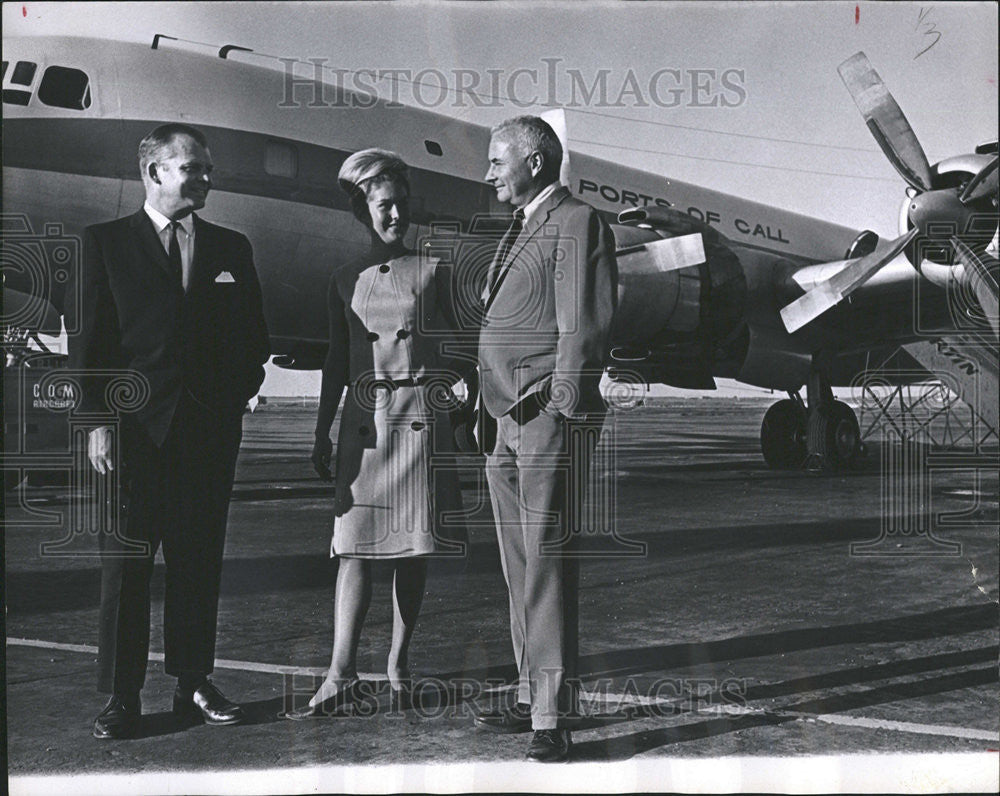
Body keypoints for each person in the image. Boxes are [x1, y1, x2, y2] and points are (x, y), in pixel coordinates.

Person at [69, 123, 270, 739]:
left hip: (204, 438)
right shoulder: (102, 244)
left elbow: (253, 342)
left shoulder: (231, 247)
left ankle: (193, 682)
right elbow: (89, 348)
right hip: (130, 438)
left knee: (197, 564)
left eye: (208, 168)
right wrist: (98, 425)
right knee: (125, 569)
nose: (207, 178)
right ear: (154, 173)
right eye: (193, 168)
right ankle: (122, 696)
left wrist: (226, 406)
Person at [285, 148, 471, 719]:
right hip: (363, 430)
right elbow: (336, 364)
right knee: (353, 550)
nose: (396, 215)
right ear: (364, 210)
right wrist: (321, 432)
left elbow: (464, 352)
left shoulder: (436, 272)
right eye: (385, 205)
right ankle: (340, 673)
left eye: (402, 205)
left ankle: (398, 666)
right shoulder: (343, 279)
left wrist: (455, 406)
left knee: (413, 553)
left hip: (419, 425)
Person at [475, 116, 617, 762]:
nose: (488, 174)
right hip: (501, 420)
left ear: (534, 162)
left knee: (546, 561)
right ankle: (531, 688)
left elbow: (580, 327)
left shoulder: (576, 221)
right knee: (518, 566)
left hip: (541, 418)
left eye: (497, 161)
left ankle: (550, 715)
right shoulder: (523, 228)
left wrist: (560, 410)